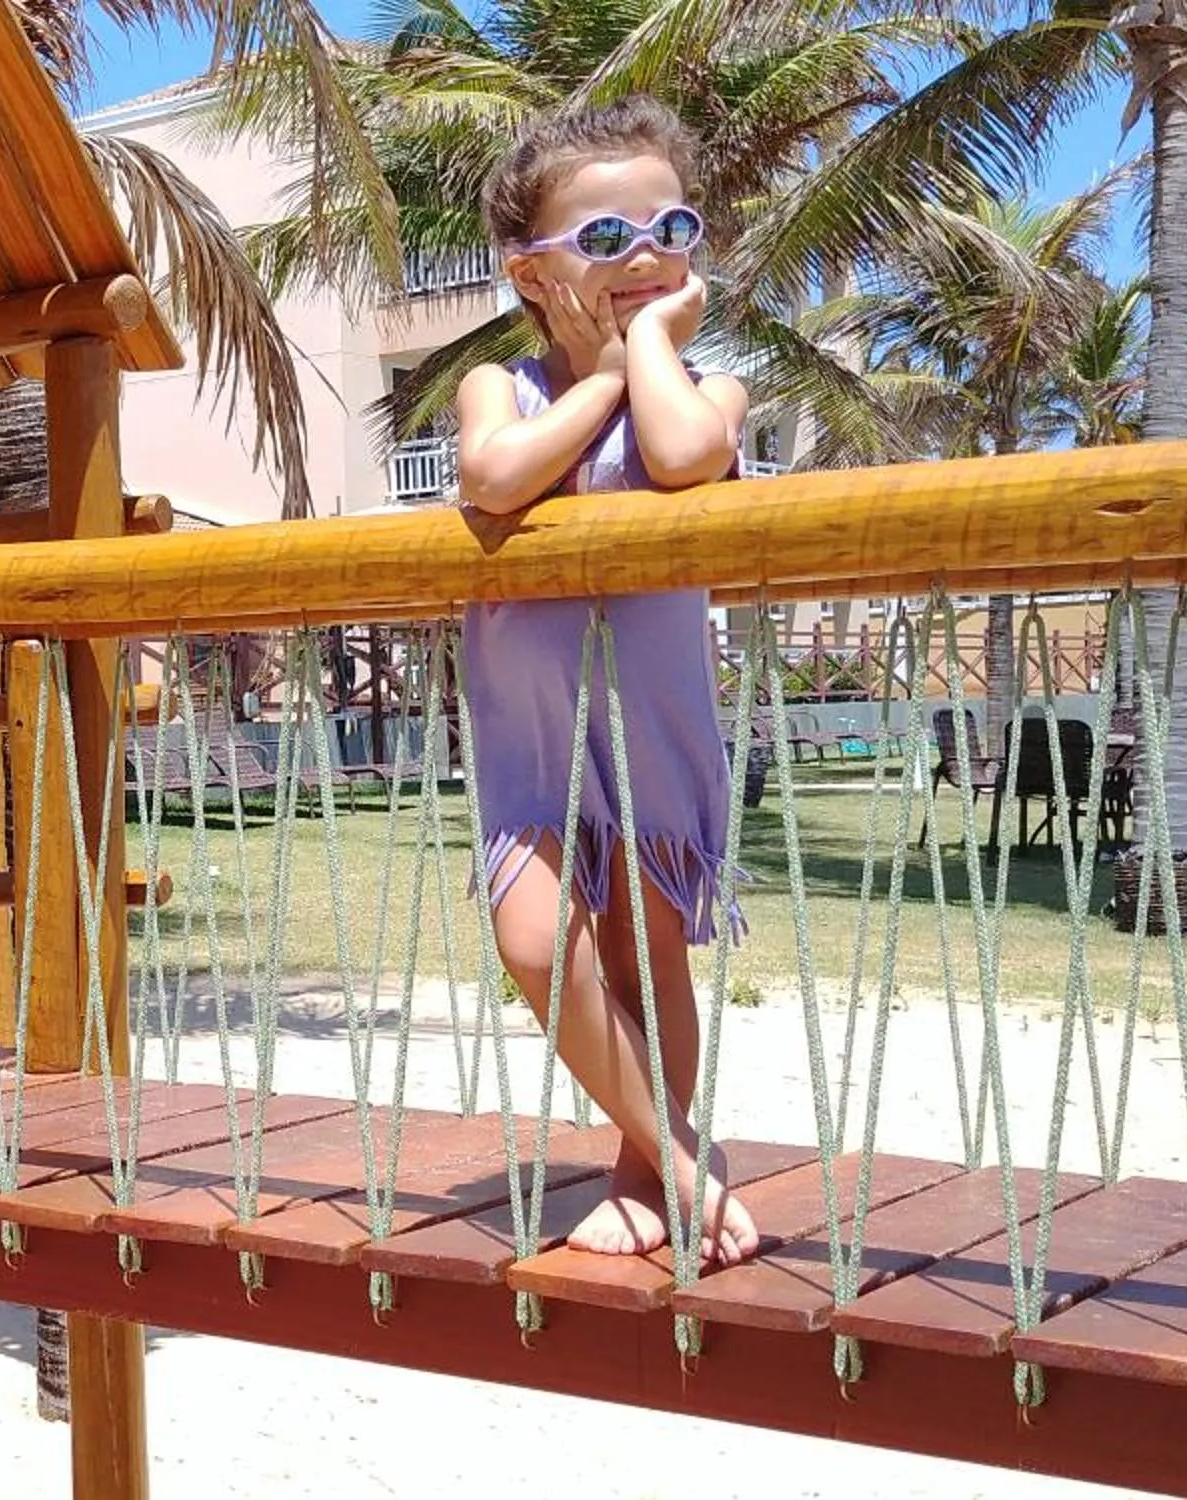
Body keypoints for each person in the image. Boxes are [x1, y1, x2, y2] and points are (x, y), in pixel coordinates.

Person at [452, 95, 759, 1267]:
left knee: (647, 949)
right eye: (604, 239)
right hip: (533, 737)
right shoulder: (501, 389)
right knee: (536, 943)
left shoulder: (708, 389)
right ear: (532, 274)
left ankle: (645, 1174)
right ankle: (683, 1162)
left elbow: (680, 456)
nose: (644, 258)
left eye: (669, 230)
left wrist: (652, 352)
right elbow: (494, 478)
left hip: (651, 723)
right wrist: (605, 379)